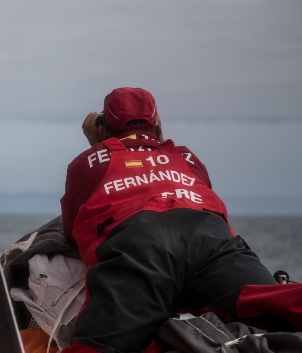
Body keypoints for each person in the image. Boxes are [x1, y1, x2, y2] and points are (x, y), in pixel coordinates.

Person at [60, 87, 302, 353]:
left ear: (102, 127)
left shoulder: (90, 162)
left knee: (100, 346)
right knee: (276, 303)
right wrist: (156, 139)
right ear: (156, 123)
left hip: (140, 246)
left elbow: (72, 230)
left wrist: (99, 145)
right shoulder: (187, 158)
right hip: (211, 239)